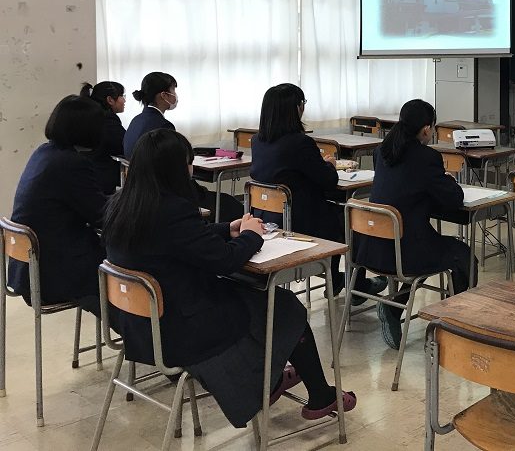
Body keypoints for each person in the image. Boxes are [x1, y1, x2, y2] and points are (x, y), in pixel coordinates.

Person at [102, 128, 356, 428]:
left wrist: (227, 229)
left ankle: (272, 380)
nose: (190, 170)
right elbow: (224, 261)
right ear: (173, 169)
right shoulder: (173, 210)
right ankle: (311, 392)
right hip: (182, 329)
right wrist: (251, 236)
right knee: (282, 304)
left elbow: (179, 241)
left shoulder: (123, 204)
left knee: (260, 297)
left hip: (140, 326)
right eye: (188, 163)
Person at [354, 99, 473, 350]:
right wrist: (447, 180)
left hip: (371, 248)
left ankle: (394, 306)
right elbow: (454, 199)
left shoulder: (381, 152)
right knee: (463, 255)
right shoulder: (426, 157)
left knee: (425, 246)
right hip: (403, 252)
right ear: (426, 129)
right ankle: (454, 326)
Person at [249, 83, 387, 299]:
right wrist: (329, 164)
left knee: (335, 215)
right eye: (302, 103)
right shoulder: (300, 143)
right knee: (354, 221)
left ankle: (336, 277)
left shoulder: (257, 141)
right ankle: (356, 285)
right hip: (301, 221)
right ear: (296, 108)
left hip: (268, 218)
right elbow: (329, 181)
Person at [7, 96, 107, 316]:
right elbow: (101, 216)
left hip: (27, 270)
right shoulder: (72, 163)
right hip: (53, 274)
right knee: (127, 267)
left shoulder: (44, 152)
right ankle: (143, 333)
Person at [123, 71, 242, 223]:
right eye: (173, 90)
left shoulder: (136, 121)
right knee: (231, 205)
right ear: (163, 95)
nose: (175, 95)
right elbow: (175, 170)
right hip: (165, 194)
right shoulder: (163, 127)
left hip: (140, 192)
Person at [80, 80, 127, 195]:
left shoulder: (91, 115)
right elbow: (121, 145)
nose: (124, 100)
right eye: (122, 96)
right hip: (100, 174)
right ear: (110, 100)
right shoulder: (108, 118)